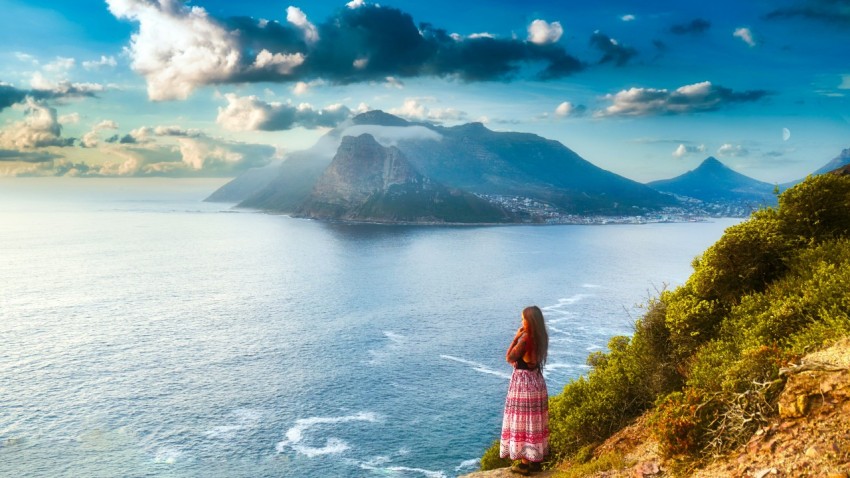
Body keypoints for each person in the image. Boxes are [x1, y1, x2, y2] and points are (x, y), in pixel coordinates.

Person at [500, 305, 549, 475]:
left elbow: (509, 357)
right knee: (535, 421)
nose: (521, 322)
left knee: (523, 421)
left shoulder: (526, 339)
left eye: (523, 319)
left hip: (524, 384)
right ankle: (536, 462)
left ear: (529, 321)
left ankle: (524, 465)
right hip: (537, 382)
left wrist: (516, 338)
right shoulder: (541, 337)